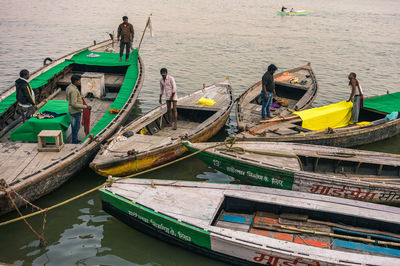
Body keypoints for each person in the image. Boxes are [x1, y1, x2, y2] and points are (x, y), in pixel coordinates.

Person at [66, 75, 91, 144]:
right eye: (79, 81)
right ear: (75, 82)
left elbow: (68, 99)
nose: (80, 82)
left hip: (71, 110)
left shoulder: (69, 87)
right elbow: (74, 104)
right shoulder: (73, 90)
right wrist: (86, 107)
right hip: (75, 112)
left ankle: (75, 140)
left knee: (75, 126)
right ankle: (74, 142)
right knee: (75, 128)